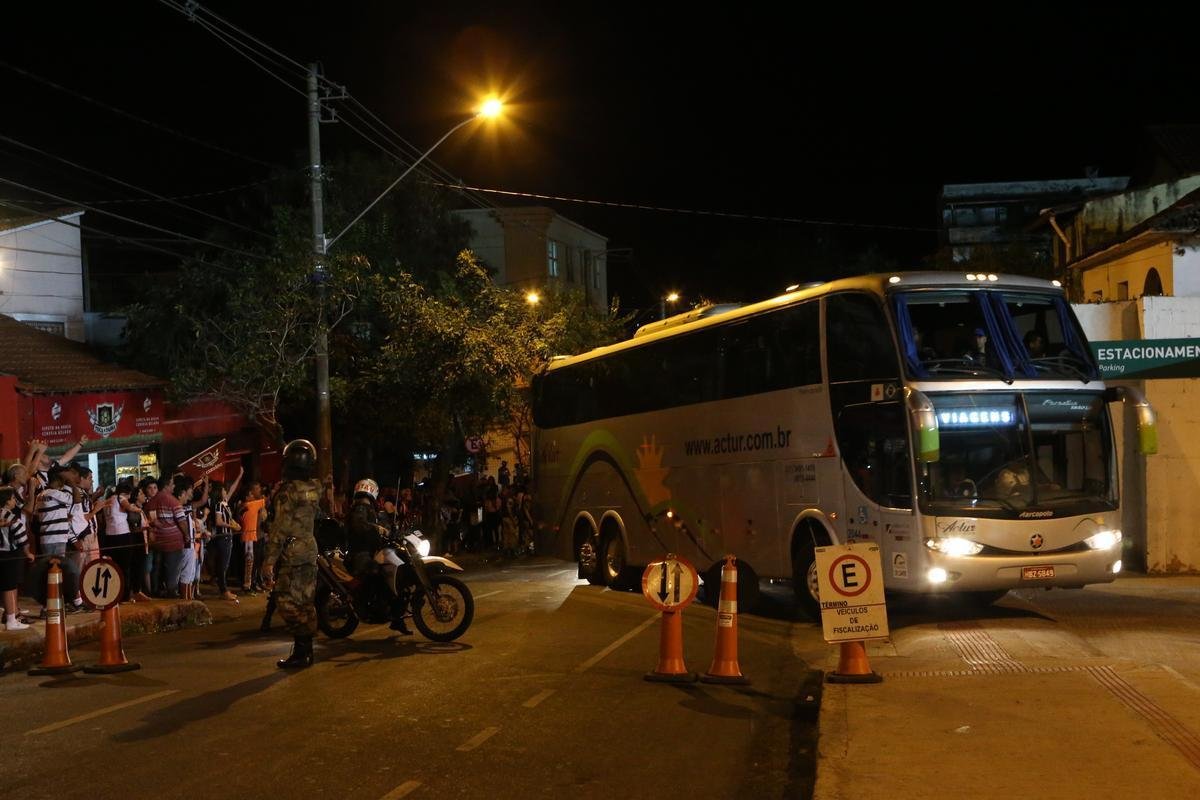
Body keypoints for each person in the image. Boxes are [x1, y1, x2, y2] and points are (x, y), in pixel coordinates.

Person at [261, 439, 323, 669]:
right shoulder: (315, 488)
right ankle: (304, 651)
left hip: (293, 551)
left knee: (285, 600)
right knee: (305, 601)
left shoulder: (287, 493)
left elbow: (279, 528)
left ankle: (302, 647)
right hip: (309, 548)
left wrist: (269, 561)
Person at [0, 487, 34, 630]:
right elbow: (22, 537)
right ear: (7, 501)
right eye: (13, 498)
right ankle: (11, 620)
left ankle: (11, 614)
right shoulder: (9, 516)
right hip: (8, 554)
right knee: (10, 587)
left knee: (6, 586)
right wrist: (28, 552)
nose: (15, 501)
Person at [209, 468, 244, 602]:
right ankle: (223, 591)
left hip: (227, 537)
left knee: (225, 565)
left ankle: (224, 590)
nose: (226, 491)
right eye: (224, 490)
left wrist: (239, 475)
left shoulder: (224, 503)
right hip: (223, 537)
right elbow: (219, 521)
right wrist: (232, 526)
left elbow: (232, 489)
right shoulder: (219, 505)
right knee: (223, 565)